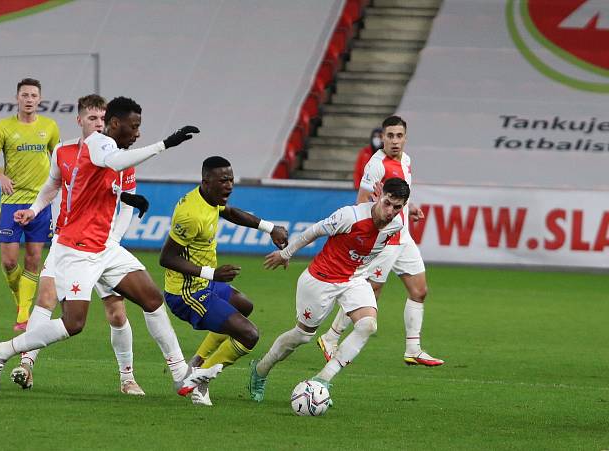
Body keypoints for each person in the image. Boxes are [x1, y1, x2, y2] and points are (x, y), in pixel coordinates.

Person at [0, 96, 222, 398]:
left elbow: (107, 181)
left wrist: (127, 198)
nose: (138, 133)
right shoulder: (98, 143)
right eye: (134, 127)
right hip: (78, 248)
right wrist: (166, 143)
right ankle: (1, 352)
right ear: (116, 124)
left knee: (151, 299)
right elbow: (112, 163)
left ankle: (180, 374)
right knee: (74, 323)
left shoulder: (114, 150)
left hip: (105, 247)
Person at [9, 94, 148, 396]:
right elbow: (51, 187)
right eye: (92, 119)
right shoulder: (63, 151)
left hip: (102, 245)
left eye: (102, 119)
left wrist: (113, 241)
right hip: (66, 240)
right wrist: (33, 210)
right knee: (45, 298)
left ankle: (127, 377)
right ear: (80, 120)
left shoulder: (119, 158)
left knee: (116, 313)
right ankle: (26, 363)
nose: (98, 124)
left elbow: (126, 206)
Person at [248, 178, 411, 402]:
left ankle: (322, 381)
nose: (391, 211)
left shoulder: (397, 224)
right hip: (320, 280)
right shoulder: (349, 216)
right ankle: (261, 370)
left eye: (398, 207)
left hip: (353, 279)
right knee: (302, 336)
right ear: (379, 196)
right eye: (388, 203)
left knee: (367, 325)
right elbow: (314, 231)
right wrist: (285, 254)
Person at [159, 156, 288, 406]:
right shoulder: (190, 215)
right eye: (223, 181)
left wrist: (269, 228)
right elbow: (166, 258)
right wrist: (212, 274)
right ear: (206, 181)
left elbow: (230, 213)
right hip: (186, 293)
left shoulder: (210, 199)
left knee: (244, 306)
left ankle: (196, 364)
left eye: (231, 179)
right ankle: (200, 380)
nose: (229, 185)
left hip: (205, 283)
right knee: (249, 335)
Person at [317, 115, 444, 367]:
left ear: (405, 138)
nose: (395, 141)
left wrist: (411, 208)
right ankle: (330, 337)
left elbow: (400, 195)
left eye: (399, 136)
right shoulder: (376, 164)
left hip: (403, 236)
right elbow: (362, 202)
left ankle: (413, 349)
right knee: (371, 292)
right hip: (385, 239)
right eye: (390, 136)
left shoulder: (406, 160)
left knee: (419, 291)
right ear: (382, 138)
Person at [0, 78, 60, 331]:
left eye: (33, 95)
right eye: (24, 95)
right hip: (11, 203)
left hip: (39, 203)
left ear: (39, 99)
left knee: (34, 259)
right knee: (8, 262)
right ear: (17, 98)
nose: (29, 99)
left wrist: (60, 188)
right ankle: (21, 301)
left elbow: (58, 160)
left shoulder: (49, 127)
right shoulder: (3, 127)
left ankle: (23, 315)